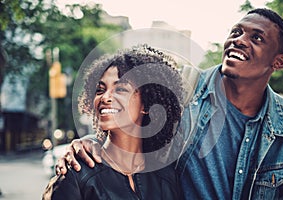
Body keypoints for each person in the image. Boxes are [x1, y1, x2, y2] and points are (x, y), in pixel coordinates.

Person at [56, 8, 283, 199]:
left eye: (256, 38)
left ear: (279, 62)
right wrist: (91, 142)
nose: (239, 40)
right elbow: (129, 118)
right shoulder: (182, 87)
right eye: (236, 32)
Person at [42, 44, 185, 199]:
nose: (105, 97)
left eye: (120, 89)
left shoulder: (166, 178)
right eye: (100, 90)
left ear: (146, 104)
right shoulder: (76, 174)